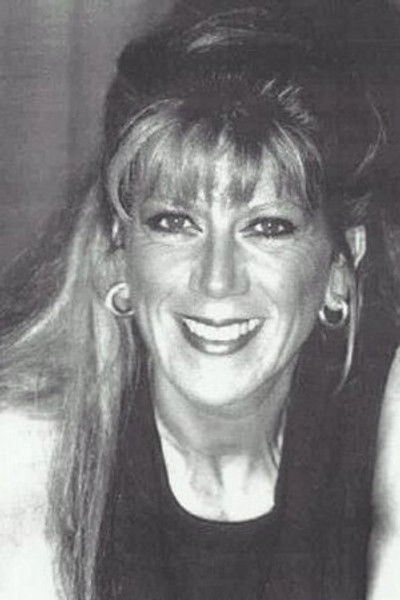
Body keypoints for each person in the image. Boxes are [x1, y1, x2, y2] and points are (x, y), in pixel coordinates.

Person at [1, 5, 399, 600]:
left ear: (340, 270)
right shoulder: (23, 450)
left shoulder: (377, 427)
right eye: (175, 222)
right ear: (118, 256)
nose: (217, 280)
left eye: (267, 227)